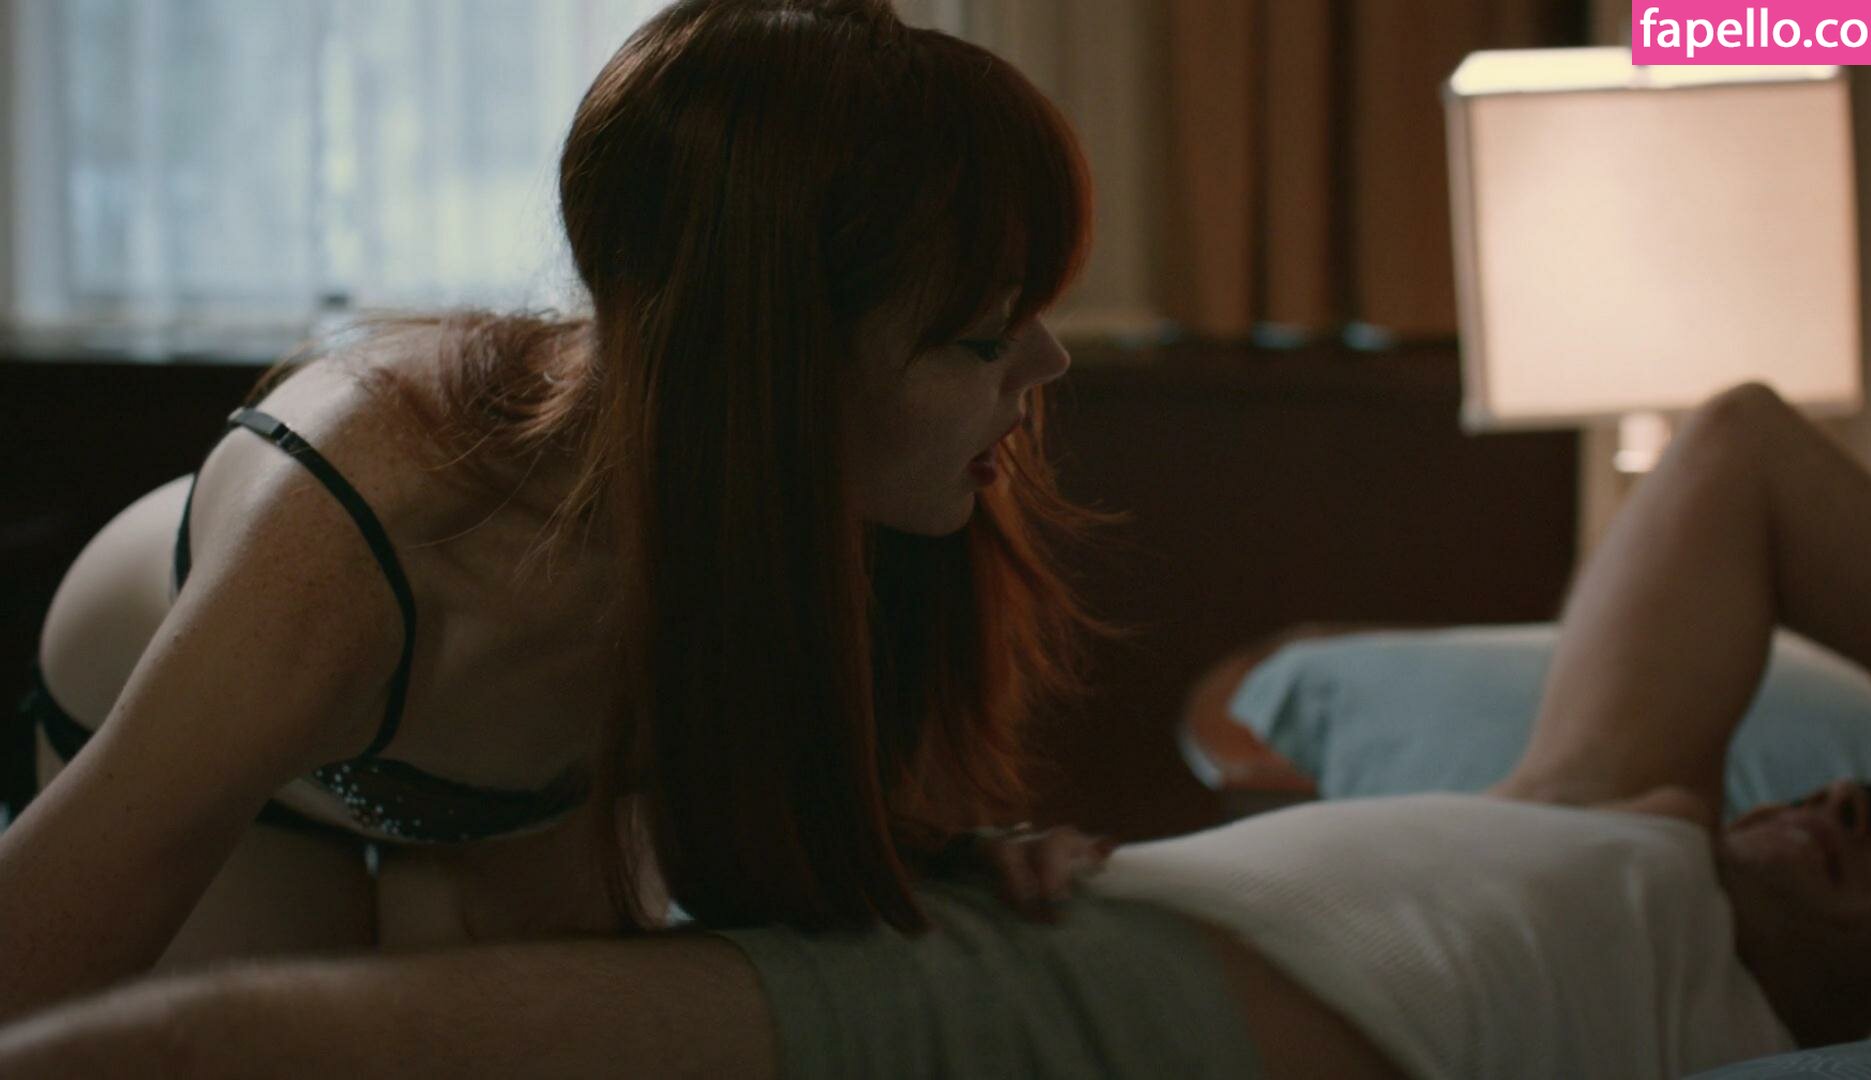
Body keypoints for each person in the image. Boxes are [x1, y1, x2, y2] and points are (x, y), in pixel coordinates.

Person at [7, 383, 1871, 1079]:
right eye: (1859, 785)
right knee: (238, 1048)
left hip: (1130, 1032)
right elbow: (1743, 448)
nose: (1844, 804)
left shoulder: (1742, 1025)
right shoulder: (1616, 794)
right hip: (1039, 972)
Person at [0, 0, 1122, 1024]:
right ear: (770, 356)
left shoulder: (839, 494)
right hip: (212, 745)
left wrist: (957, 857)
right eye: (982, 337)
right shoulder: (356, 529)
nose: (1050, 364)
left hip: (509, 806)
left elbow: (815, 852)